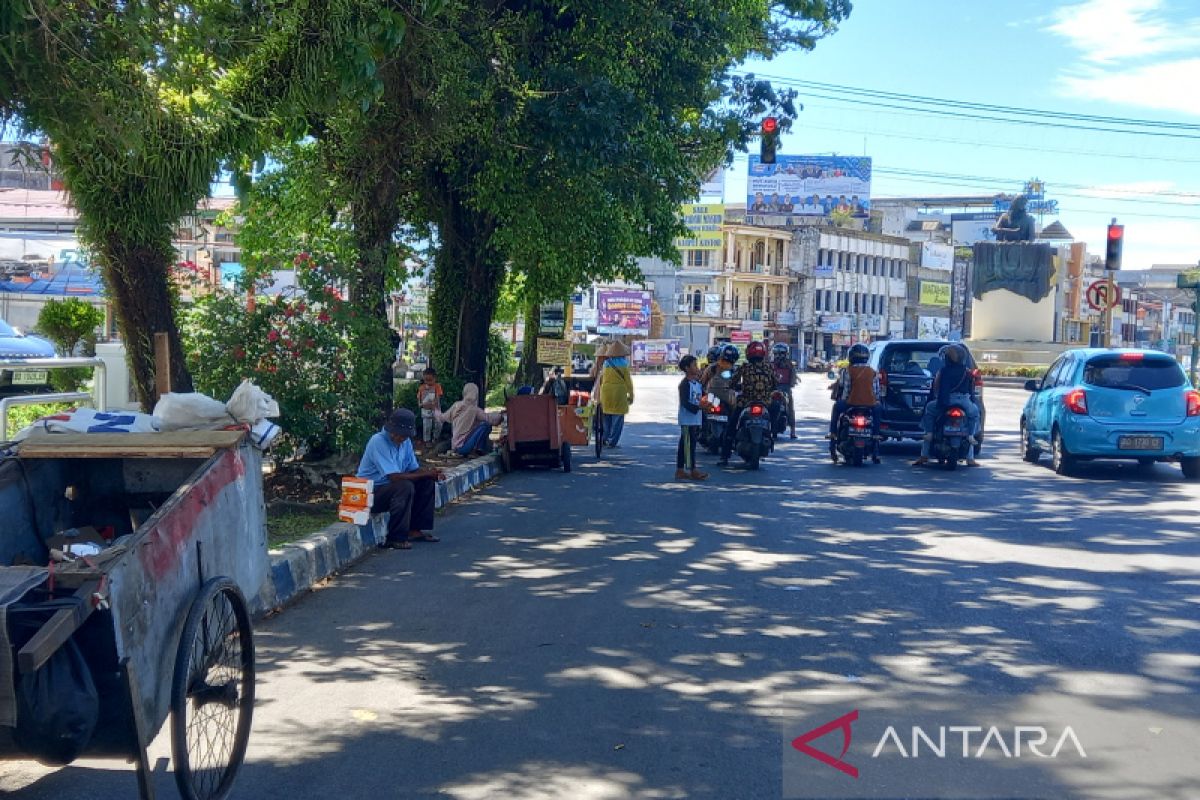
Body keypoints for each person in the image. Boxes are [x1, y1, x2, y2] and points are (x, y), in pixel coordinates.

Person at [357, 409, 444, 550]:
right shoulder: (378, 441)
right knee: (404, 486)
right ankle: (395, 538)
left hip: (389, 489)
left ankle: (414, 530)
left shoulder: (406, 442)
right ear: (391, 430)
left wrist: (431, 473)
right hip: (370, 493)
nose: (400, 438)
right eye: (397, 434)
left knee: (426, 482)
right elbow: (394, 477)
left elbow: (413, 469)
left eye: (404, 436)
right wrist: (425, 474)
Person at [912, 344, 980, 467]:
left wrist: (938, 396)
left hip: (946, 401)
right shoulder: (967, 371)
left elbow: (936, 386)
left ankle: (925, 449)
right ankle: (970, 441)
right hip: (964, 401)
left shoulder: (942, 371)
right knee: (974, 414)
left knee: (929, 410)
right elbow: (972, 388)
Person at [720, 340, 775, 466]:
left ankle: (724, 457)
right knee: (772, 420)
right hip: (765, 403)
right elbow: (775, 384)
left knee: (731, 427)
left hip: (746, 402)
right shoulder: (769, 367)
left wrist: (736, 387)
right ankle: (772, 435)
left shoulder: (744, 367)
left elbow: (732, 383)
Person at [828, 343, 881, 464]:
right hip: (870, 404)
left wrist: (845, 400)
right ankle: (876, 439)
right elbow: (876, 391)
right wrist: (875, 401)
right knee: (878, 412)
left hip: (851, 403)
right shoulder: (873, 372)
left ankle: (833, 435)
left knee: (836, 408)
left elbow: (845, 389)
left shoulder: (847, 371)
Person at [441, 382, 504, 457]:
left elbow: (443, 417)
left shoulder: (456, 405)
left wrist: (434, 410)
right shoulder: (475, 410)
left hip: (455, 446)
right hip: (464, 448)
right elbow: (490, 419)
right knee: (485, 425)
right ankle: (477, 450)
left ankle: (476, 450)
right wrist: (501, 416)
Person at [675, 355, 708, 481]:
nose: (696, 367)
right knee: (689, 444)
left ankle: (680, 469)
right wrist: (698, 407)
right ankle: (692, 469)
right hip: (687, 419)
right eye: (694, 365)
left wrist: (708, 403)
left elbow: (704, 396)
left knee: (687, 443)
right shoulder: (684, 384)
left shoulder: (697, 383)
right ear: (687, 368)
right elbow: (685, 403)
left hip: (695, 419)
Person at [598, 340, 634, 448]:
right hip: (619, 393)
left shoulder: (606, 363)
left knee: (606, 417)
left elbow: (602, 379)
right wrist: (631, 395)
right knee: (617, 419)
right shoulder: (624, 364)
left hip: (606, 392)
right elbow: (628, 382)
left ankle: (604, 438)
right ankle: (612, 441)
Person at [770, 342, 800, 440]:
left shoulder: (789, 365)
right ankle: (792, 432)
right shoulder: (771, 365)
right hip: (777, 389)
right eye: (777, 354)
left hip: (782, 389)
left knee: (790, 408)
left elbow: (793, 379)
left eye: (780, 354)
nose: (779, 356)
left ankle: (792, 431)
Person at [417, 367, 444, 449]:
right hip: (425, 409)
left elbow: (438, 397)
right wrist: (420, 404)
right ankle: (427, 440)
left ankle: (435, 438)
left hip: (435, 409)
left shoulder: (437, 386)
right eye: (426, 380)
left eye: (430, 380)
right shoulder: (421, 388)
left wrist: (435, 405)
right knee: (427, 426)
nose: (428, 382)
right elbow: (419, 397)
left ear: (435, 378)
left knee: (439, 423)